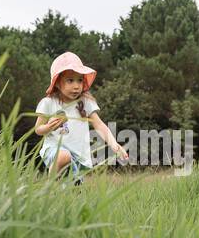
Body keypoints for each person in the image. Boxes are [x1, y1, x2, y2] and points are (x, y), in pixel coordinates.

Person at [33, 52, 129, 182]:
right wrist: (48, 127)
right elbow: (38, 129)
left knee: (74, 192)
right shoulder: (48, 103)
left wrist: (114, 144)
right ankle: (49, 188)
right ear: (57, 83)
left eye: (80, 80)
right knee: (63, 157)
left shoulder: (85, 102)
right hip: (54, 148)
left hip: (78, 155)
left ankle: (58, 194)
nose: (76, 86)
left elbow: (99, 125)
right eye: (70, 80)